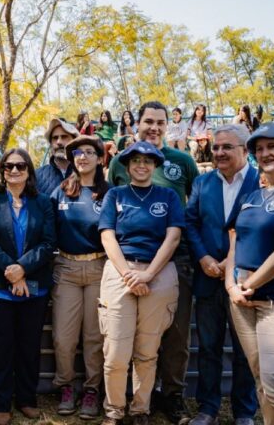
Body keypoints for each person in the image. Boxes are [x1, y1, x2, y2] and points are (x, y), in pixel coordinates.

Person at [107, 101, 199, 424]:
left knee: (175, 335)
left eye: (161, 122)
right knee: (127, 336)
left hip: (176, 259)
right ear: (138, 123)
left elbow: (195, 208)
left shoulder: (184, 162)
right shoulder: (121, 162)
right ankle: (132, 398)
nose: (155, 127)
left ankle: (172, 396)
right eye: (149, 121)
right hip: (130, 263)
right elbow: (111, 203)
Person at [98, 141, 185, 425]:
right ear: (126, 165)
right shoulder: (115, 195)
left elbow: (173, 237)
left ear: (156, 165)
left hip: (158, 274)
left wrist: (148, 275)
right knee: (116, 353)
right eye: (135, 160)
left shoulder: (168, 196)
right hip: (120, 271)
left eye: (148, 161)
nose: (141, 165)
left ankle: (140, 410)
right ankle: (114, 411)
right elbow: (107, 236)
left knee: (147, 352)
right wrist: (128, 275)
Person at [185, 124, 259, 425]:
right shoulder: (203, 184)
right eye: (215, 147)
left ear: (244, 149)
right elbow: (189, 223)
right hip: (207, 277)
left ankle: (244, 412)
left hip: (247, 280)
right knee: (208, 347)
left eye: (226, 146)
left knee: (245, 350)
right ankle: (208, 408)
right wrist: (203, 257)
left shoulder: (261, 182)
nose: (218, 152)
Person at [226, 122, 274, 425]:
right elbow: (233, 241)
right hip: (242, 301)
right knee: (262, 381)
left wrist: (250, 285)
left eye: (272, 146)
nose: (265, 153)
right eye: (259, 149)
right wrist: (231, 285)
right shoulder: (250, 196)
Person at [0, 148, 56, 425]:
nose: (14, 170)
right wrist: (13, 272)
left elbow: (48, 243)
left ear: (29, 171)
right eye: (8, 166)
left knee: (28, 346)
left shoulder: (43, 202)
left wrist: (23, 269)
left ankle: (26, 399)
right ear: (1, 171)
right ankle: (1, 402)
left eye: (20, 166)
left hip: (34, 285)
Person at [50, 136, 109, 420]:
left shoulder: (110, 193)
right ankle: (66, 386)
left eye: (89, 152)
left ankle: (91, 389)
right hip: (67, 268)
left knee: (94, 337)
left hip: (99, 267)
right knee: (63, 337)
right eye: (77, 153)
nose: (82, 157)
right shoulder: (61, 191)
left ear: (100, 158)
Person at [34, 118, 78, 197]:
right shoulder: (37, 176)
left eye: (64, 137)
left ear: (74, 142)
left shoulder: (86, 174)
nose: (59, 142)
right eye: (55, 138)